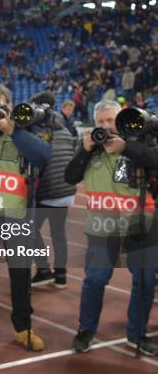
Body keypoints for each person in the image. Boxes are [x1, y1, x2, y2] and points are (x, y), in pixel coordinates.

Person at [66, 99, 158, 356]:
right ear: (95, 123)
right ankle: (86, 330)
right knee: (94, 280)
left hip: (141, 226)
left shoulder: (139, 142)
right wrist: (84, 150)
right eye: (101, 121)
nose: (107, 126)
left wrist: (126, 147)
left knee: (146, 281)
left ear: (121, 120)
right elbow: (70, 177)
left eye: (111, 120)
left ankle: (136, 333)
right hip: (101, 228)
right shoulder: (89, 148)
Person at [0, 83, 52, 351]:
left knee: (21, 275)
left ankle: (23, 327)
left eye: (0, 106)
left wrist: (12, 129)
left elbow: (43, 155)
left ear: (10, 106)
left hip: (18, 218)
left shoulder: (25, 130)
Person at [28, 91, 76, 289]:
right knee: (59, 233)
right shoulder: (63, 127)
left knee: (28, 230)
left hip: (49, 190)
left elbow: (39, 163)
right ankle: (61, 275)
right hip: (67, 191)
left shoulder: (40, 130)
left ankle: (43, 269)